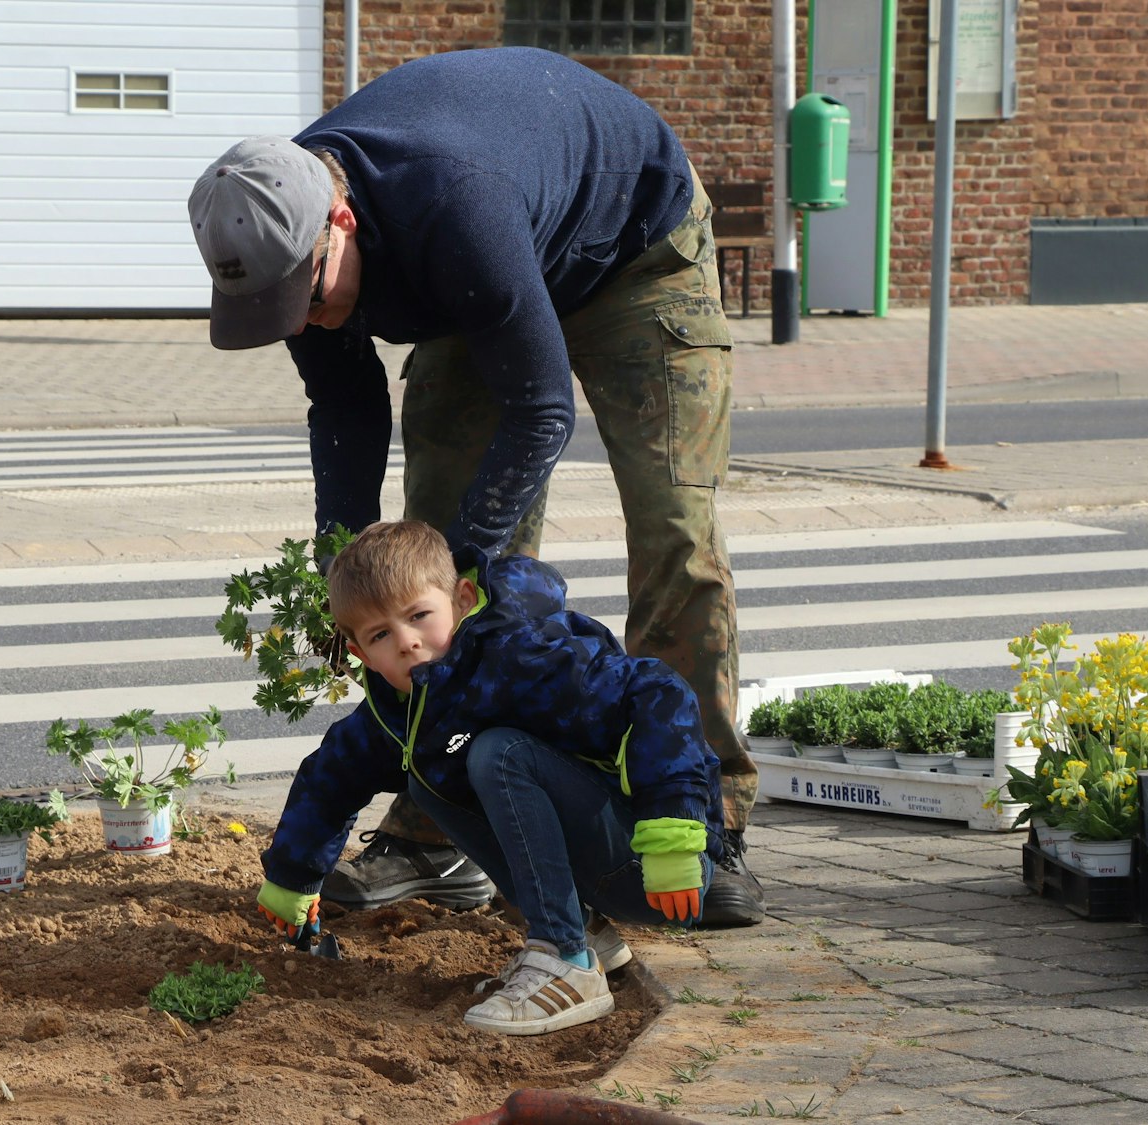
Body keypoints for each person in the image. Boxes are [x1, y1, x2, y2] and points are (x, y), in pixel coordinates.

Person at [186, 46, 762, 925]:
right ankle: (434, 834)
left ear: (338, 219)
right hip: (481, 282)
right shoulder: (283, 250)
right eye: (278, 311)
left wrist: (463, 570)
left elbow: (541, 410)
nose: (299, 323)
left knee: (670, 525)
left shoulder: (450, 199)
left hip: (632, 250)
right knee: (420, 562)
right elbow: (345, 405)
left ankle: (700, 823)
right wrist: (344, 566)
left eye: (305, 298)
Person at [253, 520, 723, 1035]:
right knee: (427, 780)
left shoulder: (518, 653)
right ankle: (585, 936)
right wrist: (292, 879)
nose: (407, 642)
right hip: (606, 870)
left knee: (497, 754)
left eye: (419, 616)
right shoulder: (401, 708)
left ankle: (565, 961)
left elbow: (660, 693)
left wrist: (673, 830)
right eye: (381, 634)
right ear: (360, 653)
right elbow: (332, 776)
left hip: (656, 859)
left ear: (463, 597)